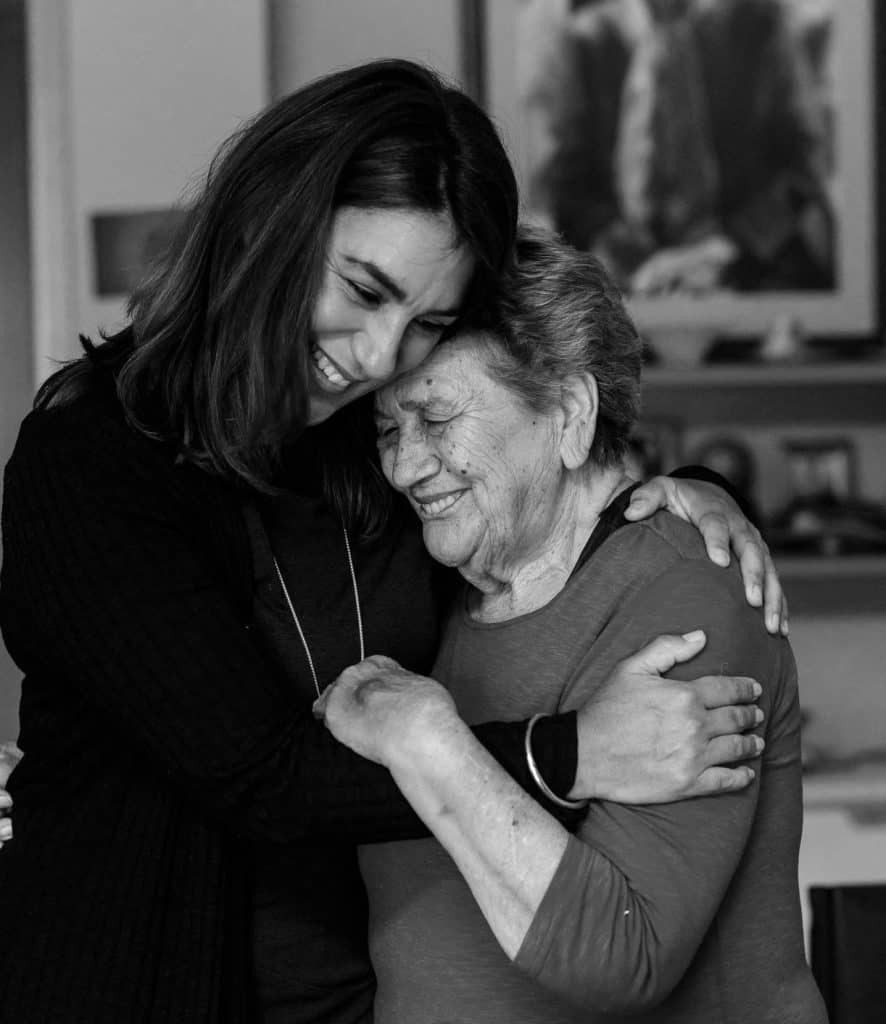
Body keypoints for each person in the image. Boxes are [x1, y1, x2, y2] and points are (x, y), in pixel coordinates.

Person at [0, 60, 783, 1022]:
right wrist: (573, 754)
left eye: (428, 324)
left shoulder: (363, 439)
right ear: (272, 219)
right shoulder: (90, 462)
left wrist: (675, 496)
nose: (378, 357)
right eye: (365, 289)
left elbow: (521, 475)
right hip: (140, 988)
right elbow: (264, 776)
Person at [318, 228, 826, 1022]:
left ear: (568, 412)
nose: (405, 467)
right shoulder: (432, 589)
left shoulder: (689, 586)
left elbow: (624, 957)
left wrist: (425, 737)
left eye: (437, 417)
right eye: (387, 430)